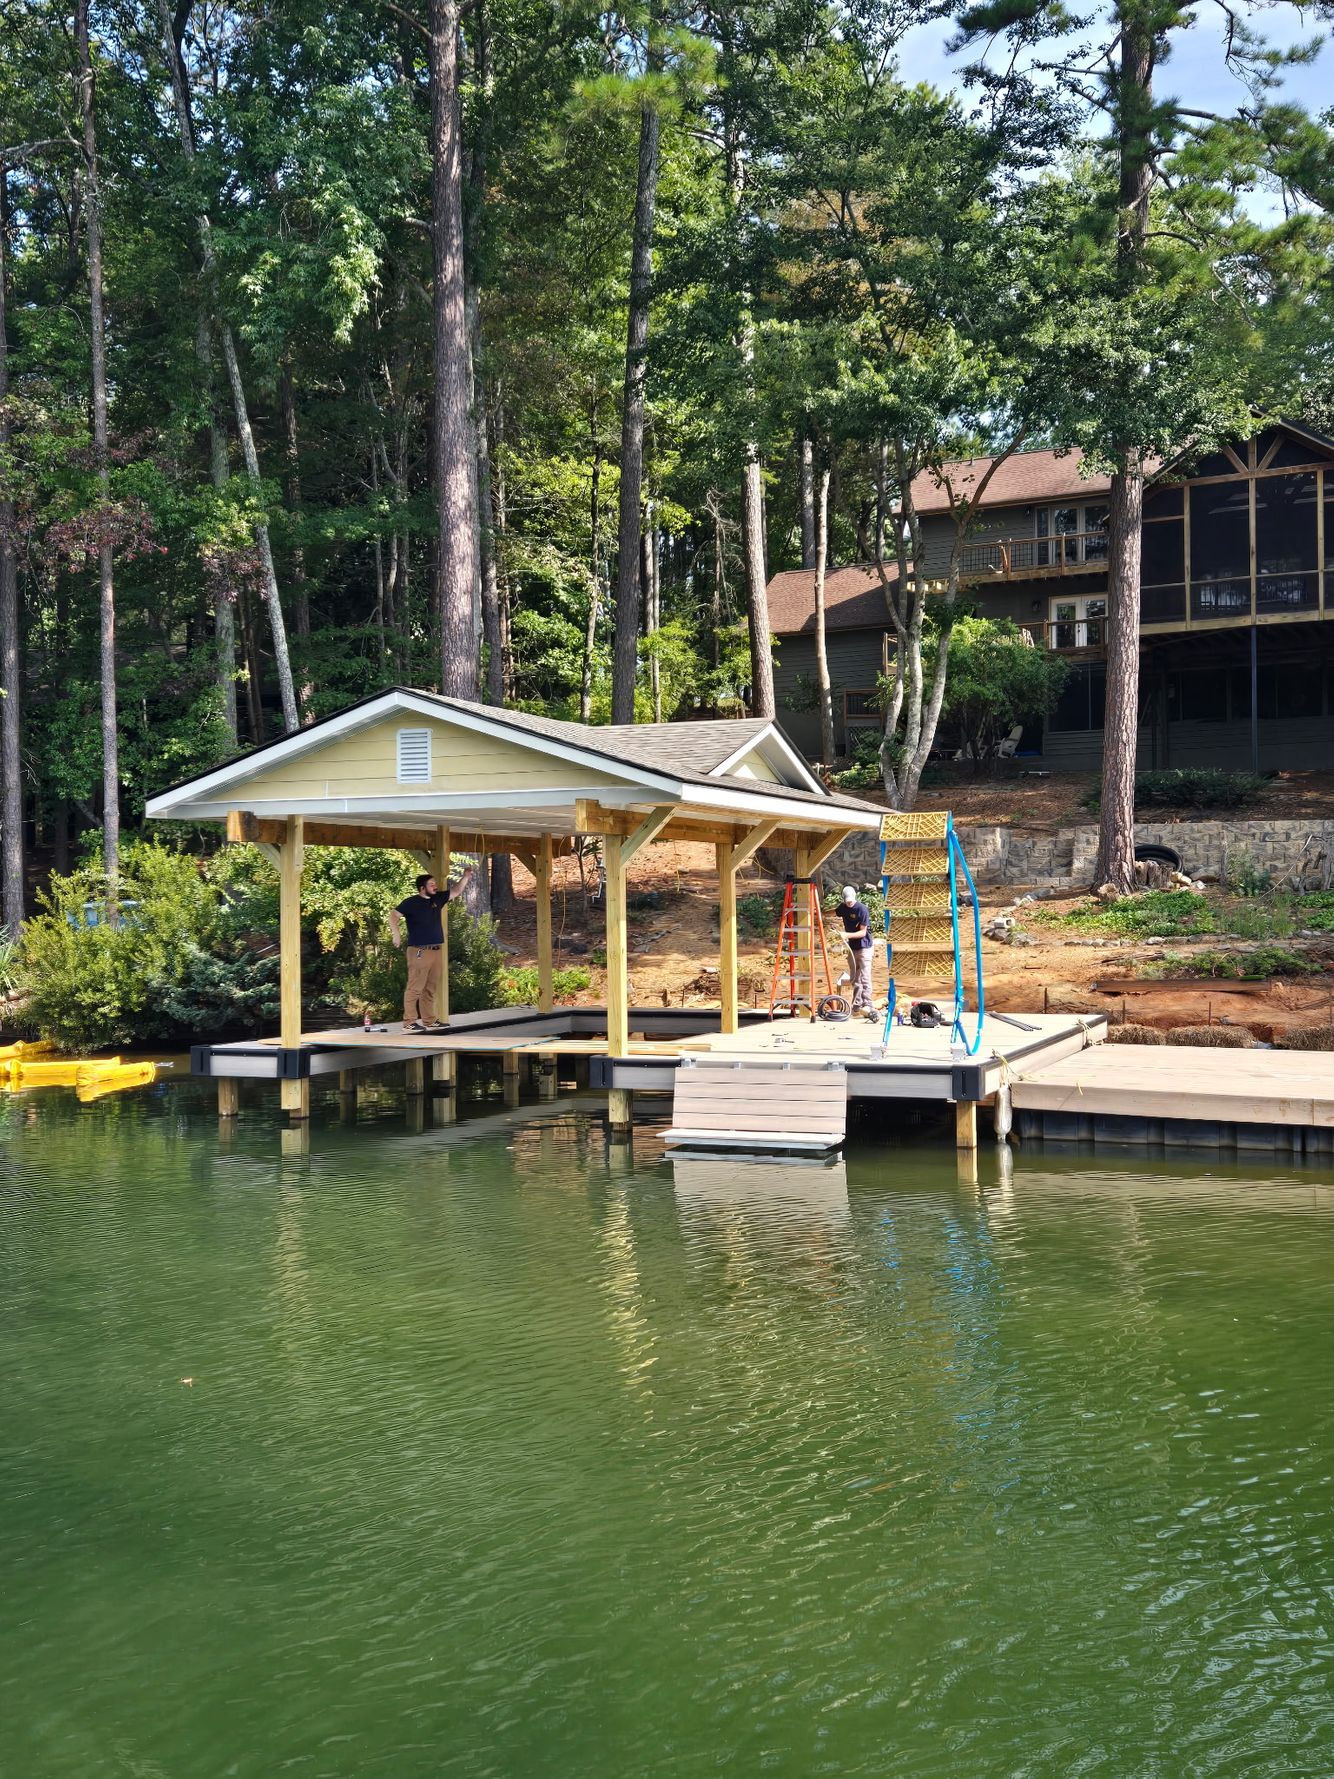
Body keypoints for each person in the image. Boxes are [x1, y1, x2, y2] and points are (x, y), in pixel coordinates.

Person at [389, 866, 474, 1031]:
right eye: (431, 884)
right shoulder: (411, 902)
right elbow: (393, 916)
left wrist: (465, 877)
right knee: (415, 987)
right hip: (419, 950)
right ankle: (409, 1022)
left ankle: (429, 1020)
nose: (435, 886)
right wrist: (396, 934)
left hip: (436, 951)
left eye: (435, 883)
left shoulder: (438, 899)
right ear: (422, 888)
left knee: (430, 987)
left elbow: (455, 891)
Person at [836, 884, 877, 1019]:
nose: (849, 903)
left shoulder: (862, 910)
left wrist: (846, 935)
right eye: (847, 901)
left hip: (864, 947)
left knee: (865, 977)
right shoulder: (843, 908)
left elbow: (862, 932)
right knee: (855, 977)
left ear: (855, 898)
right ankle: (857, 1005)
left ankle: (868, 1005)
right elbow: (834, 912)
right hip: (852, 948)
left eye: (851, 901)